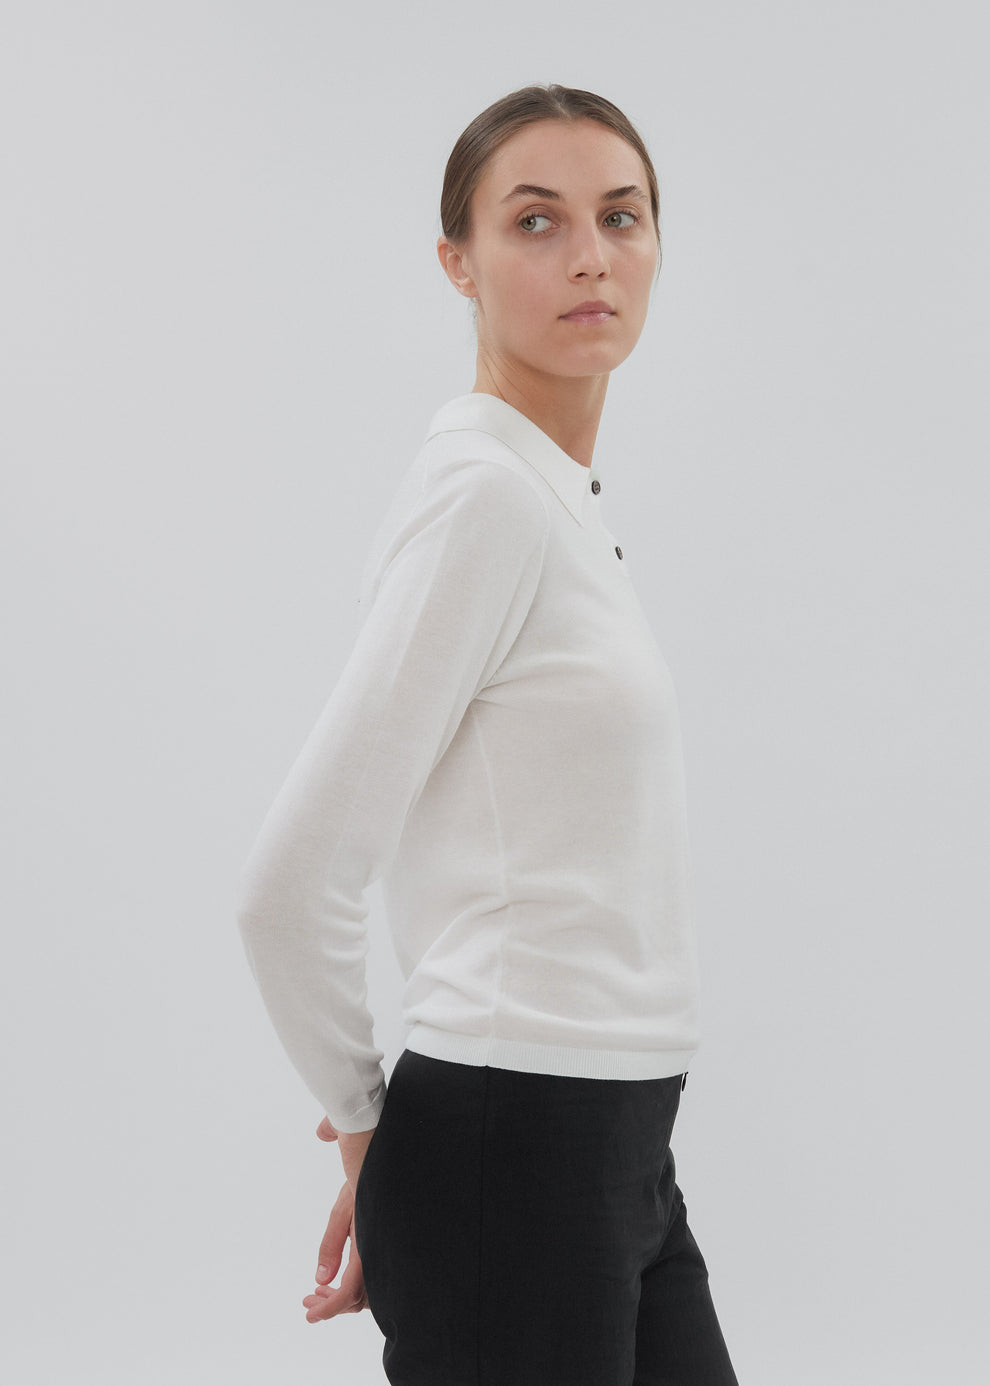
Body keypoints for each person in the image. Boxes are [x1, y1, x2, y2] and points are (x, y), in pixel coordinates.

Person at [236, 82, 740, 1386]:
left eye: (619, 216)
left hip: (613, 1143)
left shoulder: (553, 502)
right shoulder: (486, 501)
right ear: (456, 261)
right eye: (534, 221)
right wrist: (369, 1133)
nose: (590, 255)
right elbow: (291, 884)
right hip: (515, 1141)